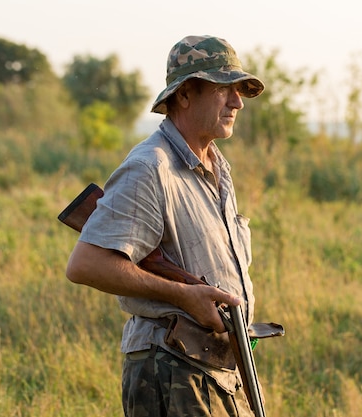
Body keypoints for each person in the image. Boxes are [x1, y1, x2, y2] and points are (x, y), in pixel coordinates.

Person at [65, 35, 265, 417]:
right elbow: (86, 264)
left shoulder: (217, 168)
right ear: (185, 94)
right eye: (224, 89)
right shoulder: (150, 168)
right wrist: (183, 295)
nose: (237, 102)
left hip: (212, 372)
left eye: (238, 91)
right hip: (171, 371)